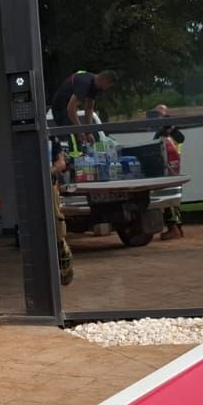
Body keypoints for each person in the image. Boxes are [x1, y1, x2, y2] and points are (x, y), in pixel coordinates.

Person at [48, 69, 118, 153]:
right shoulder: (85, 83)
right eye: (109, 86)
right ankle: (76, 160)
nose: (107, 89)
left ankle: (82, 157)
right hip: (60, 109)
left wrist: (88, 132)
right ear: (105, 81)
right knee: (74, 135)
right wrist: (80, 130)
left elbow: (89, 109)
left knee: (84, 134)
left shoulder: (95, 85)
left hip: (69, 108)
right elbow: (70, 108)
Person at [147, 104, 186, 240]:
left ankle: (173, 228)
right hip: (173, 167)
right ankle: (177, 228)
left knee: (168, 200)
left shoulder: (168, 130)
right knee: (173, 199)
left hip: (168, 168)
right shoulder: (170, 130)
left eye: (158, 115)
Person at [50, 140, 74, 285]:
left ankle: (65, 265)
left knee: (56, 223)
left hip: (50, 185)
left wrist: (49, 171)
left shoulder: (52, 141)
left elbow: (61, 163)